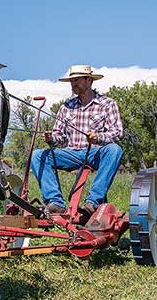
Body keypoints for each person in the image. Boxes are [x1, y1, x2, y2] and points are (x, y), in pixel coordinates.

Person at [31, 65, 124, 216]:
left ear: (89, 80)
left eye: (77, 80)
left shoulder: (107, 104)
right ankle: (55, 202)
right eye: (71, 80)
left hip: (96, 153)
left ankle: (93, 202)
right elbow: (58, 136)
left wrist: (98, 137)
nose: (73, 84)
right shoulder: (66, 106)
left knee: (114, 150)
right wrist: (51, 138)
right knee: (38, 155)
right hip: (71, 153)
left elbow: (117, 132)